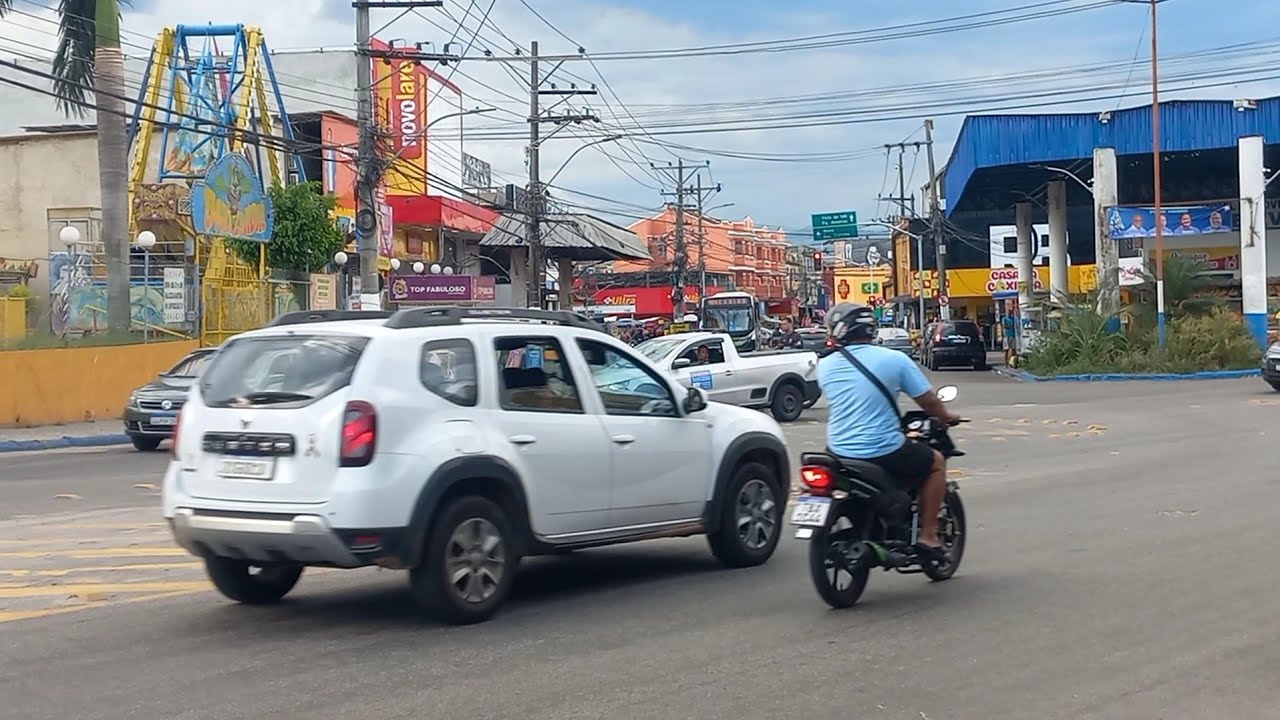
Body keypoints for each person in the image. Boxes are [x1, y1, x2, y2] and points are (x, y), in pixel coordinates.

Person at [818, 302, 962, 556]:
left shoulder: (825, 365)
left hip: (837, 451)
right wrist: (946, 416)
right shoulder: (894, 359)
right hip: (881, 449)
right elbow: (928, 401)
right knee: (936, 462)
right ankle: (928, 535)